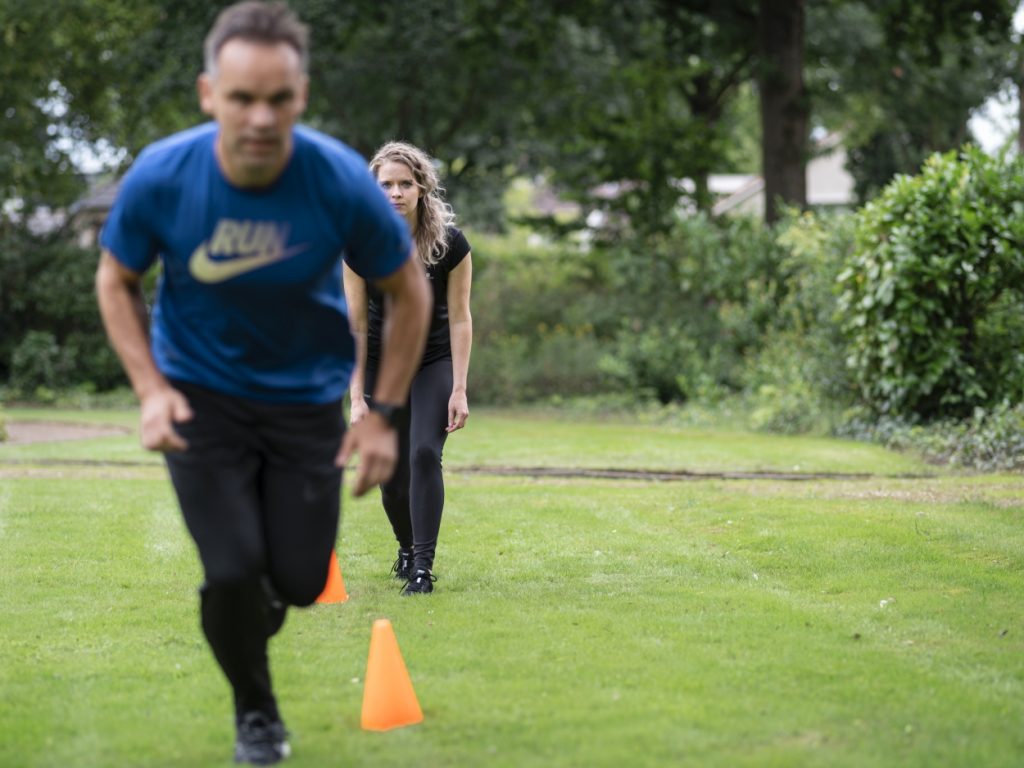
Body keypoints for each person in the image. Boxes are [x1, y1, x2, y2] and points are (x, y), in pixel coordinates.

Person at [94, 3, 431, 765]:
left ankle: (256, 612)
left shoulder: (338, 179)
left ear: (300, 97)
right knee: (232, 570)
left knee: (303, 581)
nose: (260, 117)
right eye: (242, 98)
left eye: (278, 99)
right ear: (209, 92)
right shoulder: (165, 175)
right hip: (198, 401)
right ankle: (257, 713)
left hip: (303, 404)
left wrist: (380, 415)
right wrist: (150, 389)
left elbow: (410, 292)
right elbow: (116, 280)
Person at [343, 141, 473, 596]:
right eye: (386, 185)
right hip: (381, 363)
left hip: (433, 360)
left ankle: (422, 565)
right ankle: (404, 547)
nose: (395, 193)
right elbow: (356, 326)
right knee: (390, 476)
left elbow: (460, 317)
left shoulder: (450, 245)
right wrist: (356, 397)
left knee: (422, 454)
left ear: (421, 188)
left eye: (404, 184)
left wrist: (459, 388)